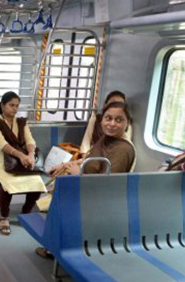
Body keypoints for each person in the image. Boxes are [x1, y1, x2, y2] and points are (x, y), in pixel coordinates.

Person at [35, 102, 136, 259]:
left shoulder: (123, 149)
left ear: (127, 123)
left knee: (60, 204)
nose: (112, 124)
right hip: (85, 190)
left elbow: (106, 186)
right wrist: (66, 164)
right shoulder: (106, 139)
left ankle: (60, 249)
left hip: (98, 201)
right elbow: (91, 160)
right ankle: (56, 246)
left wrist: (78, 175)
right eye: (108, 118)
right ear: (102, 120)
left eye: (118, 120)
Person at [0, 92, 46, 235]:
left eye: (17, 106)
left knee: (37, 182)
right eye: (11, 105)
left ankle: (25, 213)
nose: (14, 109)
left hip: (19, 158)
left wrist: (30, 155)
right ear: (2, 105)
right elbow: (2, 145)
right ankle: (4, 217)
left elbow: (30, 141)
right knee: (7, 183)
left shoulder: (21, 123)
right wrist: (21, 156)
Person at [79, 90, 132, 155]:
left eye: (119, 105)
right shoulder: (95, 119)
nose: (116, 108)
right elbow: (85, 145)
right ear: (105, 105)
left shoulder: (125, 125)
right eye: (113, 104)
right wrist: (85, 159)